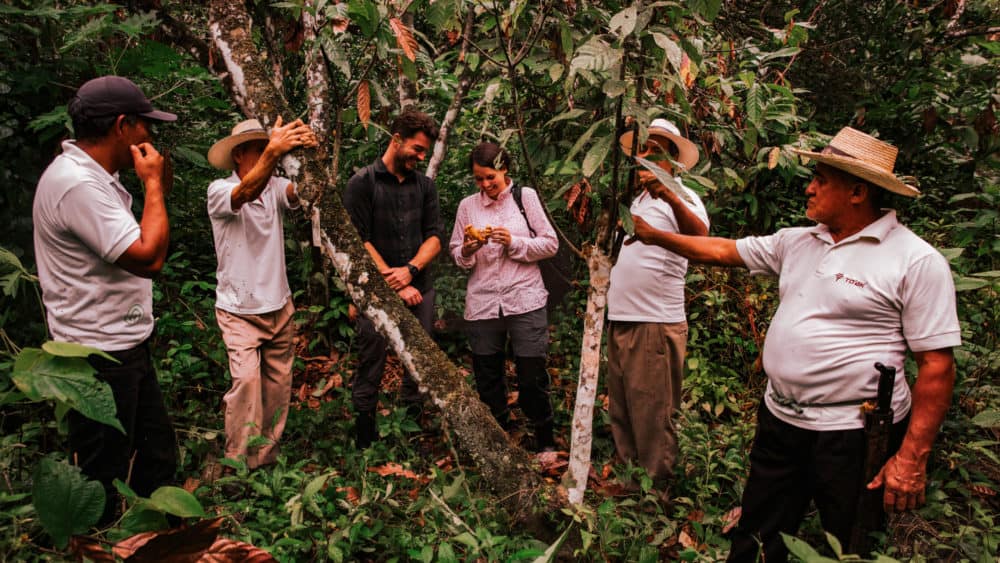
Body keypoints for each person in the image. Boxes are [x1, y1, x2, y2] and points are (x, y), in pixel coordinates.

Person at [625, 127, 960, 561]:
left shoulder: (914, 260)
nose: (809, 186)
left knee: (849, 541)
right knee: (758, 536)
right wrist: (657, 237)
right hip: (781, 422)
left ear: (858, 191)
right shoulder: (798, 240)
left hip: (852, 435)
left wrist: (912, 458)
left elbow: (936, 364)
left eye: (821, 178)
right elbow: (724, 251)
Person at [32, 75, 179, 522]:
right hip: (99, 355)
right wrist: (152, 185)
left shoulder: (93, 178)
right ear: (122, 126)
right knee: (102, 478)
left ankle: (148, 542)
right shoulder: (78, 185)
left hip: (122, 347)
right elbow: (148, 257)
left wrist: (158, 186)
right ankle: (96, 545)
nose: (149, 135)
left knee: (155, 460)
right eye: (144, 125)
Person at [206, 117, 318, 469]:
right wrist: (275, 151)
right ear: (239, 155)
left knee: (277, 387)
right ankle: (238, 463)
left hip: (278, 305)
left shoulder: (275, 187)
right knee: (246, 384)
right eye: (259, 150)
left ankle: (265, 459)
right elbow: (244, 194)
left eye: (267, 150)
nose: (267, 157)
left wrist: (308, 152)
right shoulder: (220, 190)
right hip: (238, 310)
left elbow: (300, 191)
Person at [606, 118, 709, 495]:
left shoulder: (682, 194)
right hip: (622, 316)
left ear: (673, 159)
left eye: (656, 150)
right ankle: (631, 482)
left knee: (653, 410)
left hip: (654, 320)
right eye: (644, 149)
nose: (647, 157)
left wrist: (669, 197)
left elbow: (702, 238)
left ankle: (656, 493)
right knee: (624, 407)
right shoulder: (636, 199)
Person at [343, 107, 444, 448]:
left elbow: (434, 237)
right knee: (371, 358)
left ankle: (412, 433)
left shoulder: (425, 186)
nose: (420, 156)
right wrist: (394, 283)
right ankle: (365, 440)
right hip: (374, 291)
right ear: (396, 139)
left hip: (420, 288)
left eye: (424, 153)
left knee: (418, 363)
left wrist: (411, 270)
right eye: (416, 149)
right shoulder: (362, 183)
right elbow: (359, 240)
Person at [449, 142, 559, 452]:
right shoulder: (468, 206)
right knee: (487, 377)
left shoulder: (526, 198)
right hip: (483, 302)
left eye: (490, 178)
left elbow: (550, 244)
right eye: (479, 179)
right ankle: (499, 442)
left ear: (504, 169)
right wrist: (468, 249)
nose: (485, 185)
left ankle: (544, 442)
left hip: (524, 298)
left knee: (531, 376)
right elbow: (456, 252)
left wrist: (514, 242)